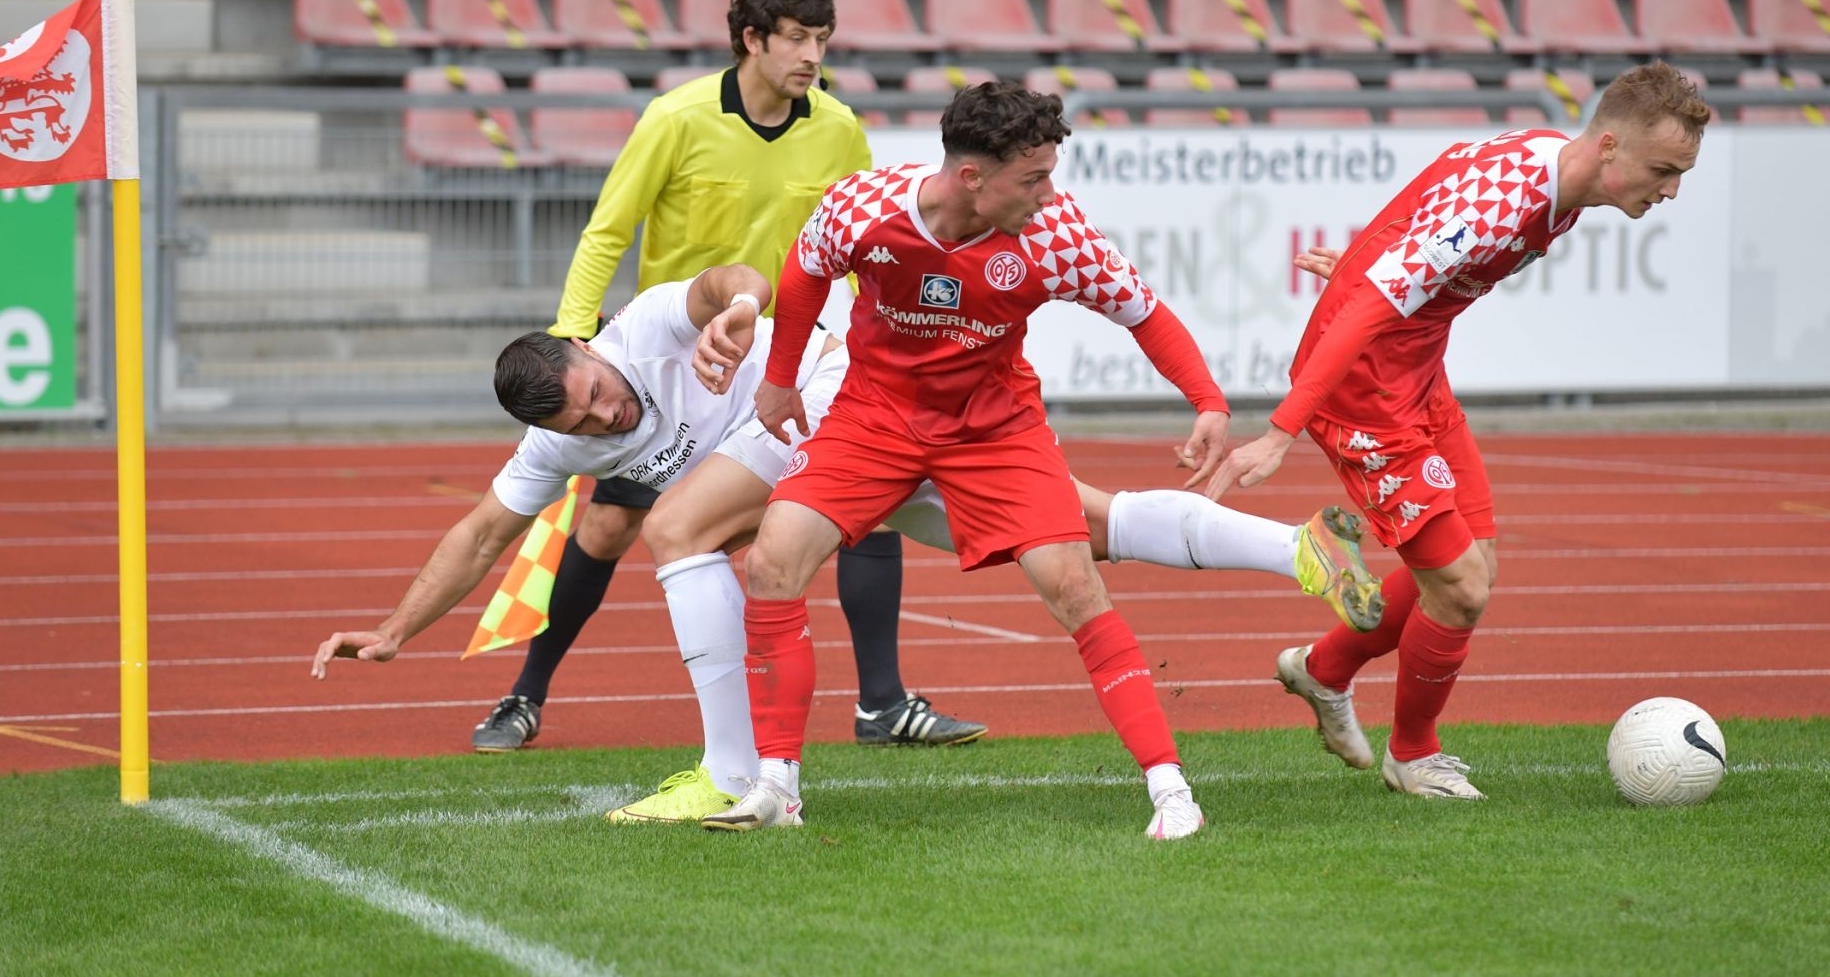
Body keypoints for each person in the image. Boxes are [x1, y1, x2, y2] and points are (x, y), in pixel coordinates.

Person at [312, 263, 1383, 826]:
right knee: (1087, 531)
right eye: (586, 423)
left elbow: (731, 277)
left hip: (839, 410)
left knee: (681, 524)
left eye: (598, 394)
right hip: (862, 454)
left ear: (590, 347)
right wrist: (398, 630)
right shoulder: (558, 436)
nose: (603, 416)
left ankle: (737, 776)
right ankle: (1292, 545)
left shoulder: (646, 325)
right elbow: (483, 530)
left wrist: (738, 312)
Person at [703, 81, 1240, 841]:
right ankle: (777, 788)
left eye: (1050, 173)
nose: (1048, 193)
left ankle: (1172, 791)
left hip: (995, 428)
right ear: (969, 178)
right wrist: (781, 378)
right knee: (771, 563)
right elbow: (803, 270)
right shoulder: (862, 205)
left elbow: (1144, 313)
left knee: (1073, 585)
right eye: (1032, 178)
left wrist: (1208, 401)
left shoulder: (1058, 234)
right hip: (874, 416)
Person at [472, 0, 983, 756]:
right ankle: (524, 694)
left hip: (793, 364)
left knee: (864, 503)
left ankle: (881, 704)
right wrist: (577, 338)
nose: (813, 54)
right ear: (751, 39)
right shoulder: (674, 120)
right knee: (607, 528)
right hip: (678, 371)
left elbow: (861, 244)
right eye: (797, 38)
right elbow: (608, 231)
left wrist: (876, 334)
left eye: (823, 38)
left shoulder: (840, 126)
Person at [1206, 62, 1711, 800]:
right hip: (1364, 391)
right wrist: (1282, 428)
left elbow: (1426, 204)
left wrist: (1363, 266)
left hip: (1416, 372)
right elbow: (1373, 310)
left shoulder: (1555, 169)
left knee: (1473, 566)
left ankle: (1324, 670)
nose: (1670, 191)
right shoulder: (1513, 204)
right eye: (1664, 169)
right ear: (1608, 146)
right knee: (1463, 588)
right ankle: (1412, 753)